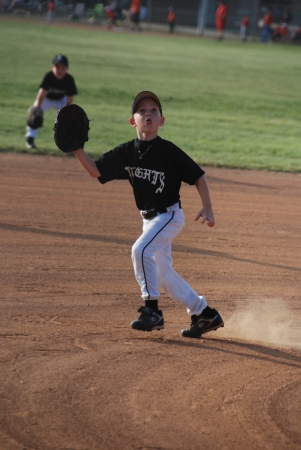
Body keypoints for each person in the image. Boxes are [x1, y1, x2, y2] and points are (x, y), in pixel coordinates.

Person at [71, 91, 224, 338]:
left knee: (139, 250)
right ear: (133, 121)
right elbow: (95, 170)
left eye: (154, 110)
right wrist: (77, 149)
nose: (148, 114)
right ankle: (204, 313)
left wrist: (207, 206)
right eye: (142, 111)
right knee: (162, 275)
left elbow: (197, 176)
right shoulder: (126, 152)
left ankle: (151, 311)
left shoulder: (168, 151)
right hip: (149, 220)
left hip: (169, 216)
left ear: (162, 120)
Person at [25, 55, 78, 149]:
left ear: (67, 69)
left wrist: (66, 112)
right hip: (46, 99)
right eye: (57, 67)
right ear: (52, 67)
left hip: (61, 100)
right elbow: (42, 93)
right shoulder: (49, 76)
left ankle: (66, 143)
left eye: (63, 67)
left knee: (66, 120)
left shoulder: (69, 79)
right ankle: (30, 139)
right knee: (34, 115)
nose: (60, 70)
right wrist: (38, 107)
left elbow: (70, 97)